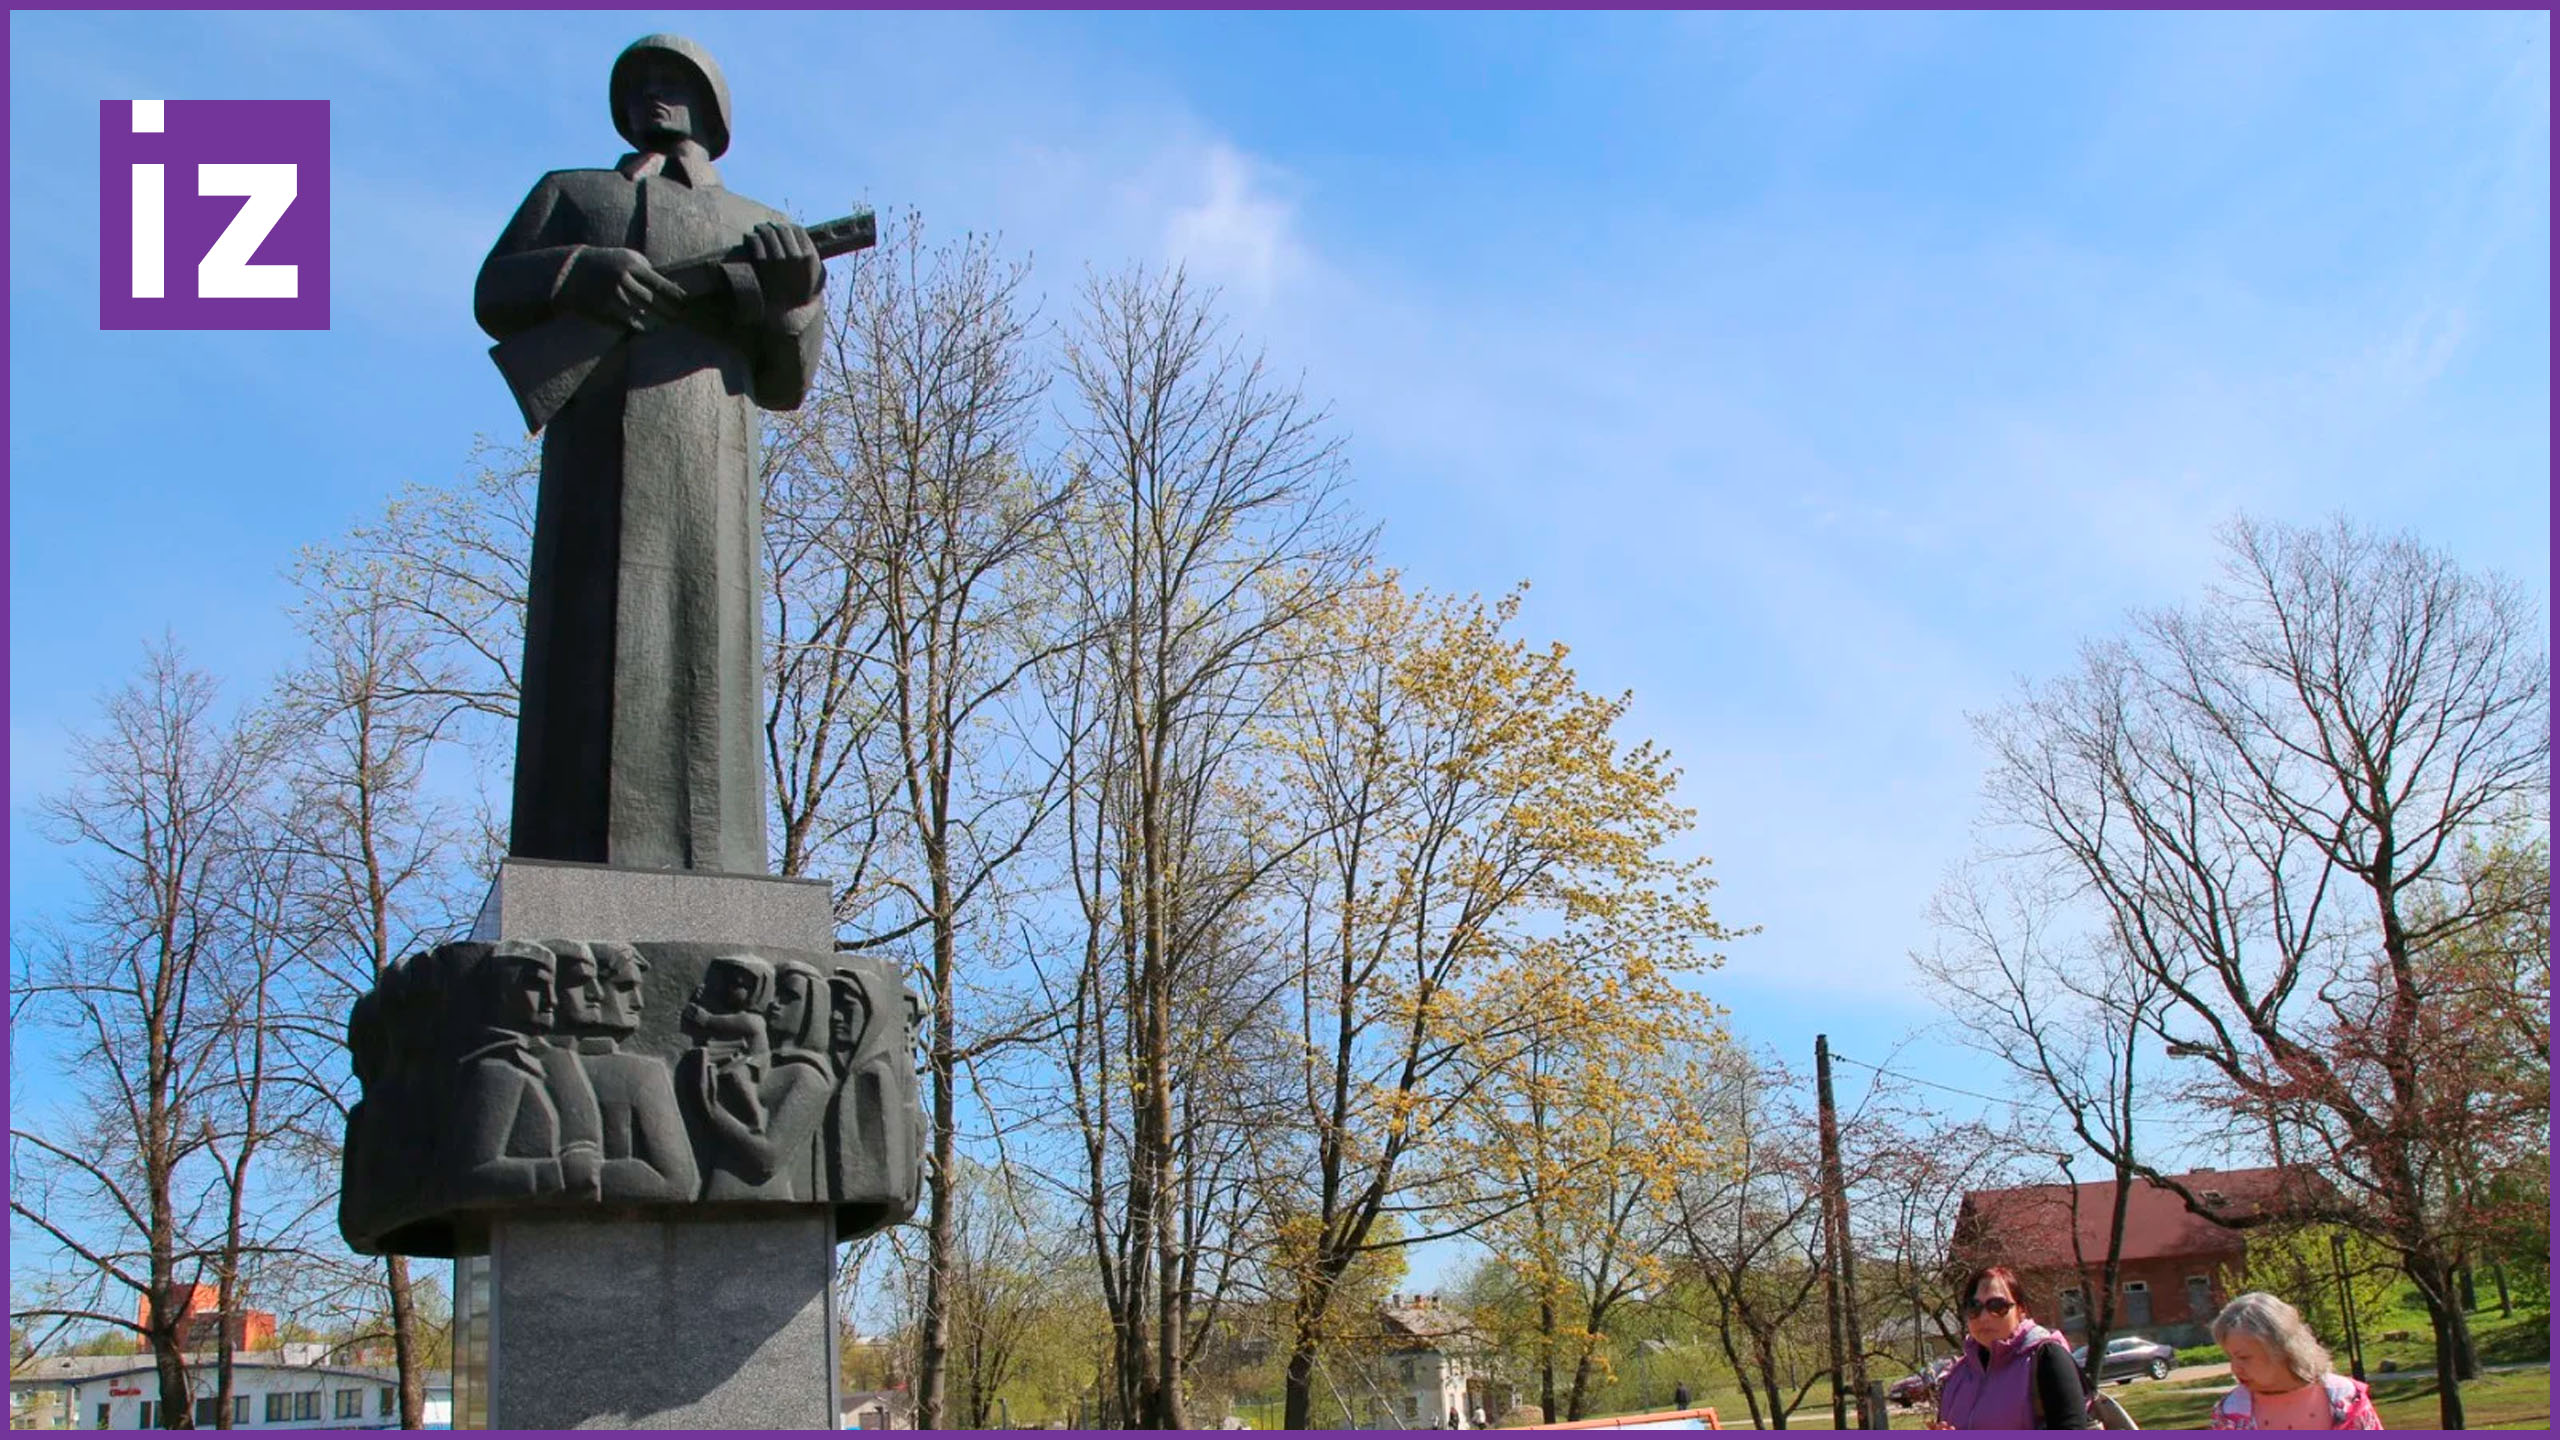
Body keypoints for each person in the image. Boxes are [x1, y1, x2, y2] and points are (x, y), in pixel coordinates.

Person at [477, 33, 827, 874]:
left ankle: (716, 864)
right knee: (586, 649)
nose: (657, 96)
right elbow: (495, 292)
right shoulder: (573, 193)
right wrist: (579, 273)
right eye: (640, 85)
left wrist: (790, 305)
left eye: (677, 82)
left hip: (710, 454)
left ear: (712, 107)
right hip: (594, 452)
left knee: (709, 645)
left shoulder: (763, 225)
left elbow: (789, 378)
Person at [1931, 1265, 2094, 1429]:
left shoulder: (2046, 1358)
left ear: (2021, 1310)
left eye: (1997, 1306)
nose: (1984, 1317)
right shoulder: (1958, 1375)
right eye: (1974, 1307)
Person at [2208, 1292, 2382, 1430]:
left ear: (2281, 1349)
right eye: (2230, 1357)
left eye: (2244, 1357)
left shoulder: (2348, 1399)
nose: (2235, 1368)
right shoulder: (2229, 1414)